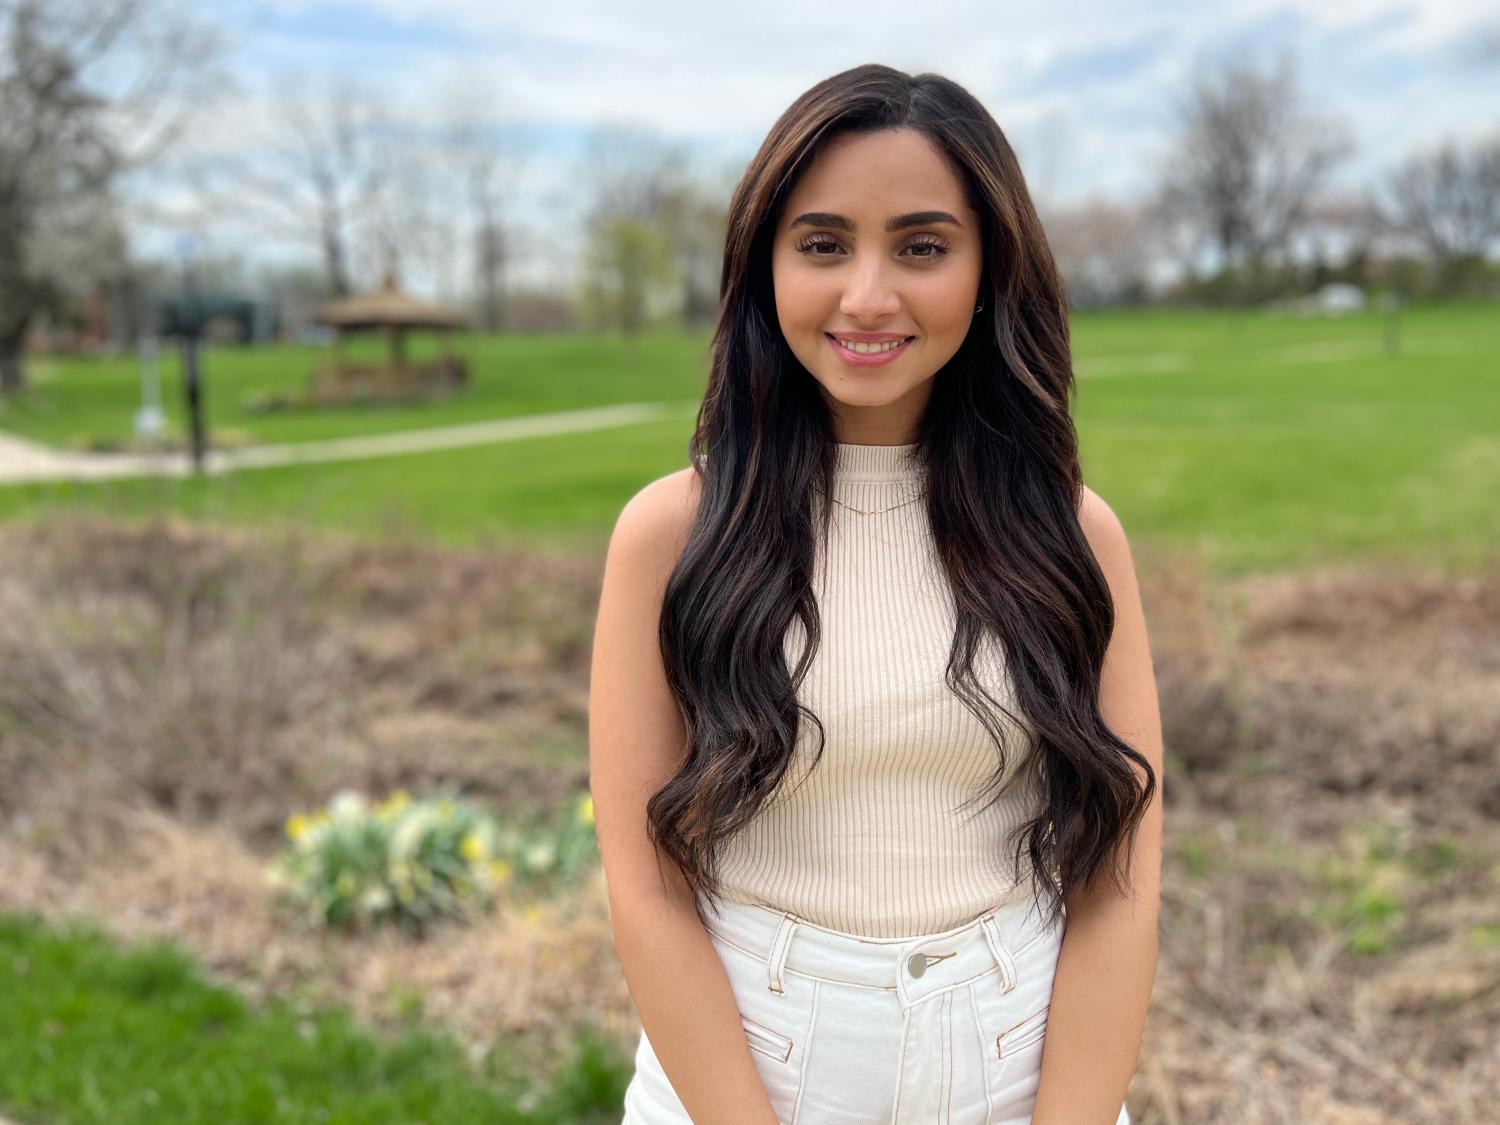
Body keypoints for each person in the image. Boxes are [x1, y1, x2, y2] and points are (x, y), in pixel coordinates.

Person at [589, 62, 1161, 1125]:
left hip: (1021, 1070)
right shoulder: (672, 536)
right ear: (762, 269)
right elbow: (646, 884)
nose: (866, 294)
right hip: (747, 1075)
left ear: (989, 270)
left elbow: (1118, 878)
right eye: (822, 244)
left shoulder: (1075, 535)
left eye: (922, 246)